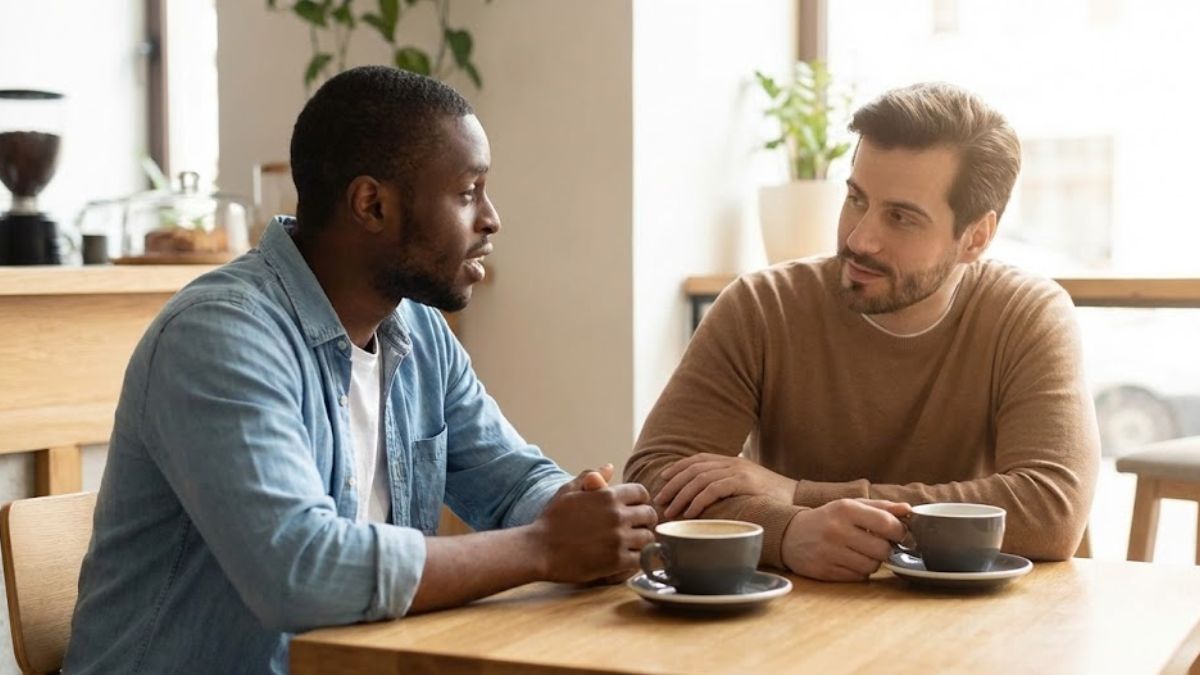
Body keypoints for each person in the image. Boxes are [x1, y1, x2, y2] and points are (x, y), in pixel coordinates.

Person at [65, 66, 656, 674]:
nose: (491, 218)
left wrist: (580, 513)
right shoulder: (219, 335)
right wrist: (544, 546)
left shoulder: (419, 331)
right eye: (467, 192)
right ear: (371, 204)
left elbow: (508, 482)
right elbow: (300, 571)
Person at [625, 82, 1099, 582]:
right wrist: (787, 534)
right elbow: (653, 480)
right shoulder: (762, 306)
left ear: (975, 237)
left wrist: (800, 495)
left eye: (900, 217)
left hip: (973, 624)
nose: (859, 237)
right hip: (795, 620)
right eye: (856, 198)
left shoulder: (1027, 315)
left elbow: (1050, 510)